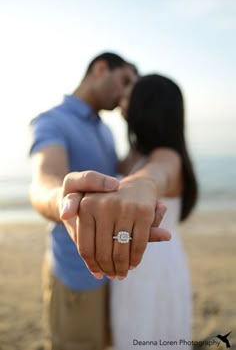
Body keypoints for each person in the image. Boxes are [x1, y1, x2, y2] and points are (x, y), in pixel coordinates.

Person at [29, 53, 176, 350]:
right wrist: (65, 201)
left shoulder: (105, 130)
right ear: (100, 69)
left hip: (118, 274)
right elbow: (44, 181)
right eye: (124, 81)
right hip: (77, 274)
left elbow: (120, 176)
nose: (126, 93)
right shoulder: (53, 121)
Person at [110, 74, 198, 350]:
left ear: (145, 106)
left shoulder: (167, 157)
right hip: (139, 265)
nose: (122, 100)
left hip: (155, 270)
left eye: (130, 95)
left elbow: (156, 174)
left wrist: (140, 185)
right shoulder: (138, 154)